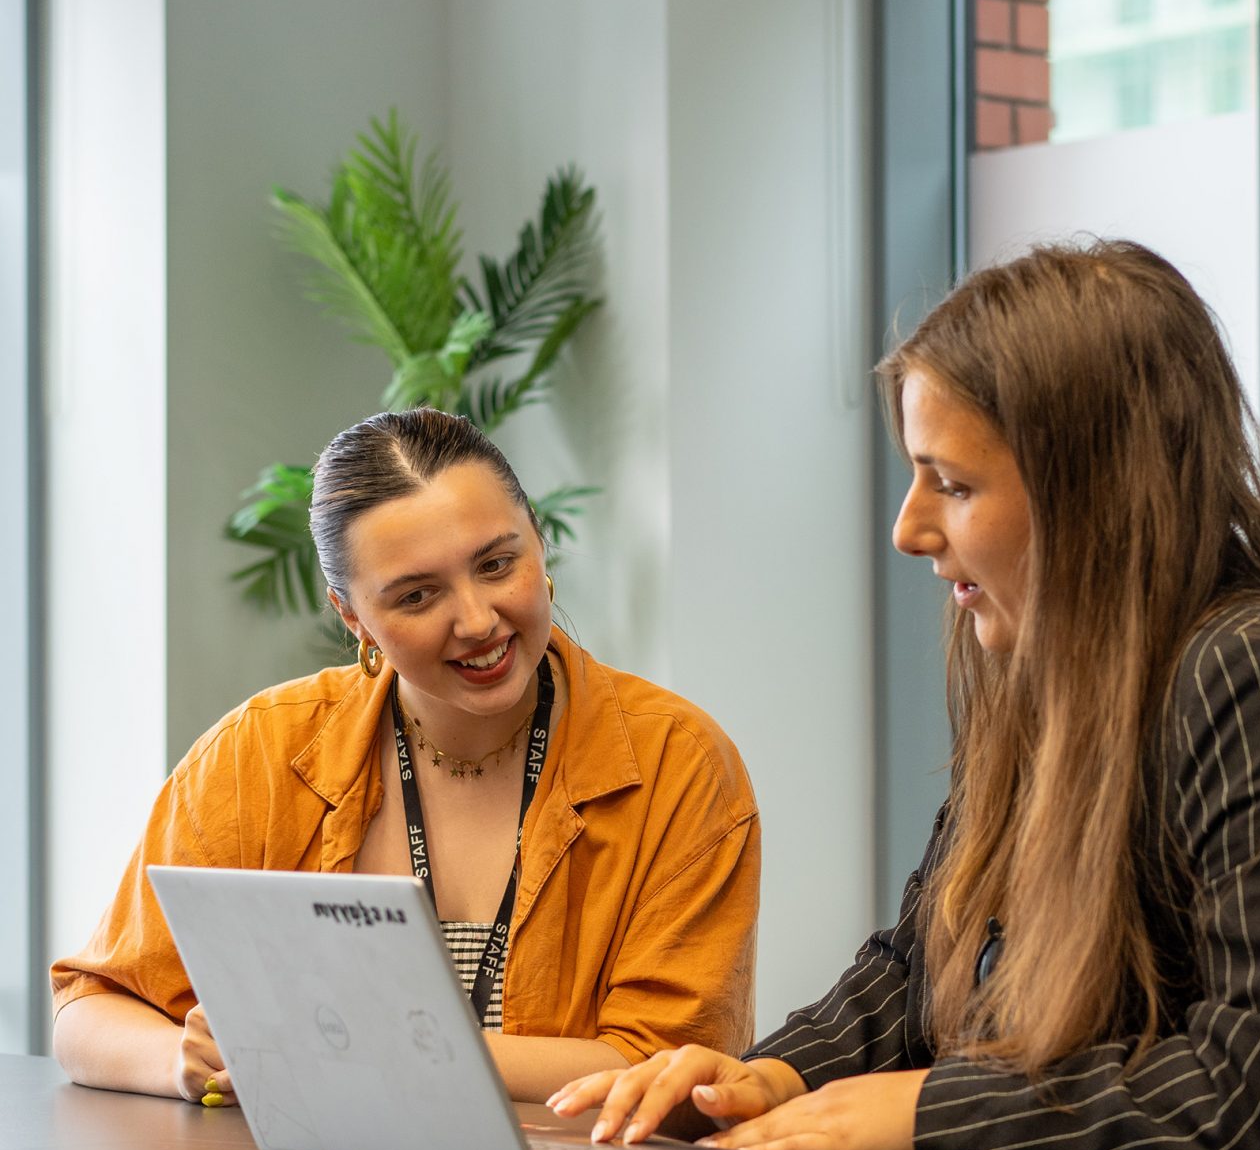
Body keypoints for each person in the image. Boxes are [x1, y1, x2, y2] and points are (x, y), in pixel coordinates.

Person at [553, 240, 1260, 1150]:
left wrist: (921, 1110)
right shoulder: (1045, 677)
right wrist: (768, 1080)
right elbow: (919, 966)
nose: (908, 529)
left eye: (951, 485)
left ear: (1096, 492)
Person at [53, 409, 759, 1107]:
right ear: (352, 616)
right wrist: (182, 1059)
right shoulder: (259, 752)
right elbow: (91, 1007)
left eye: (495, 564)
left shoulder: (677, 761)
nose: (477, 620)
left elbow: (667, 1066)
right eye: (417, 595)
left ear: (539, 548)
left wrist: (362, 1047)